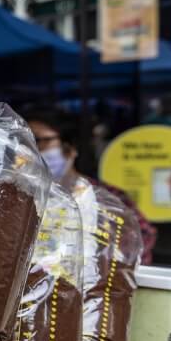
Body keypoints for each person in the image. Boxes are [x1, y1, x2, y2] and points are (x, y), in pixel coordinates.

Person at [25, 107, 156, 265]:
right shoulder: (20, 197)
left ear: (71, 147)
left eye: (38, 141)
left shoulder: (108, 198)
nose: (30, 149)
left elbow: (143, 237)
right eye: (23, 142)